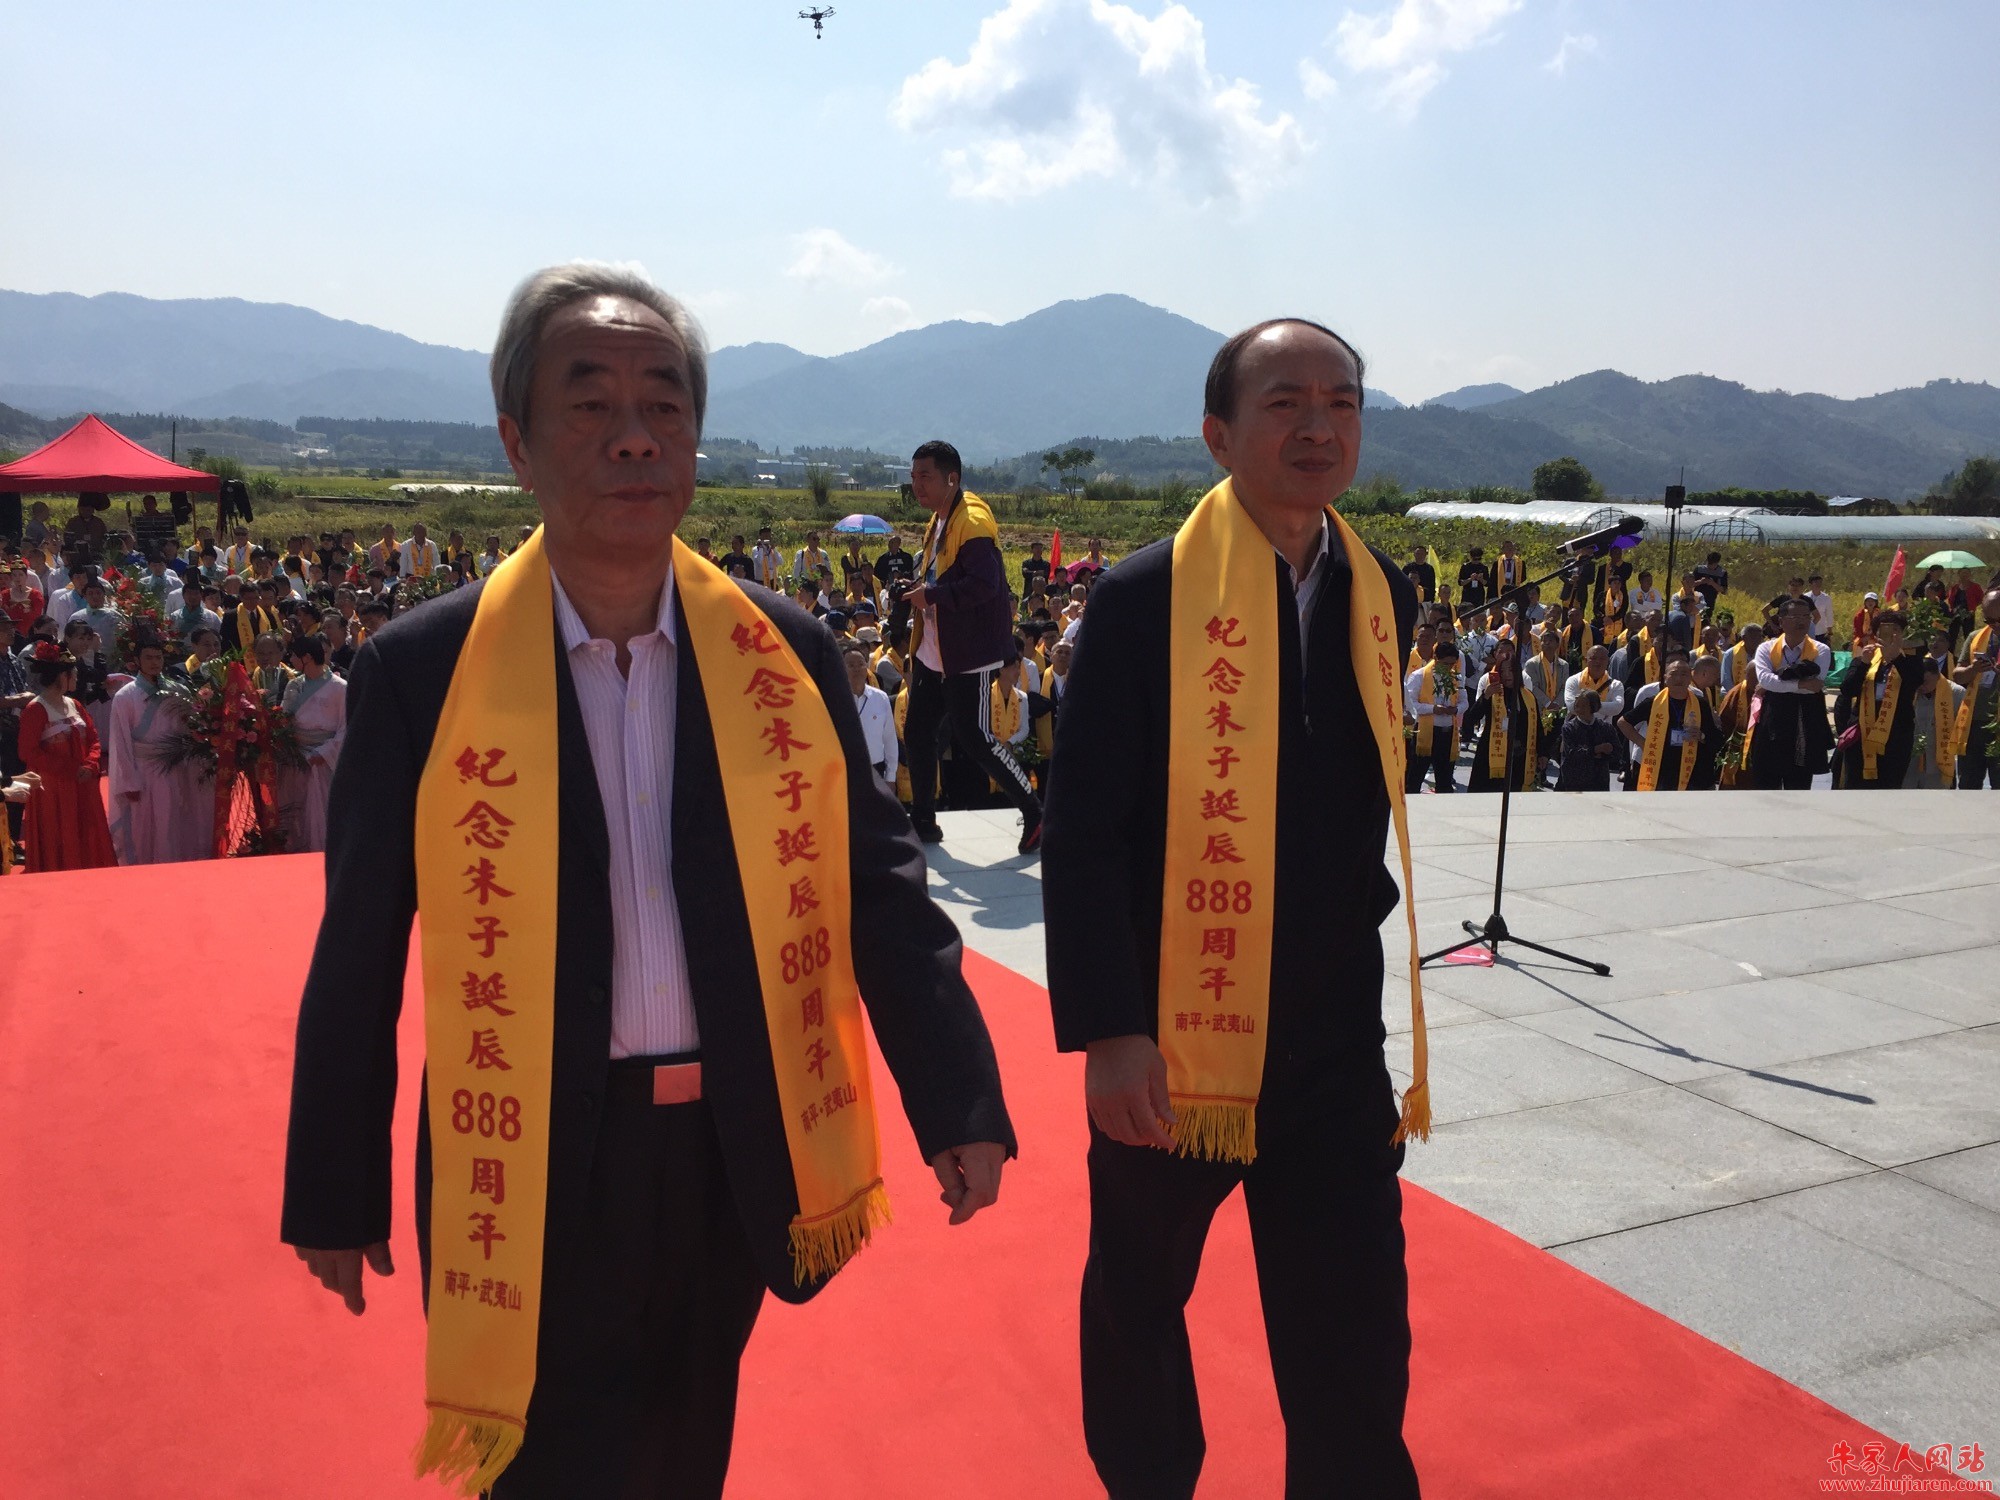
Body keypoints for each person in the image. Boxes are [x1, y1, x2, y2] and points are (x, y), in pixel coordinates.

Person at [281, 264, 1013, 1500]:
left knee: (685, 1451)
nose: (634, 436)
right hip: (535, 1147)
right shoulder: (423, 670)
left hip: (731, 1146)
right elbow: (358, 942)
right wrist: (333, 1186)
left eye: (664, 406)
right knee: (540, 1465)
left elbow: (878, 885)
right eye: (590, 404)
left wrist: (957, 1096)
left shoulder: (780, 651)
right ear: (516, 442)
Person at [1042, 317, 1423, 1499]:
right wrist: (1110, 1030)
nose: (1318, 426)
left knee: (1353, 1319)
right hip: (1174, 1030)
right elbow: (1081, 832)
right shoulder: (1142, 598)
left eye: (1341, 402)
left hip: (1329, 1038)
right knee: (1140, 1296)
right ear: (1217, 435)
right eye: (1284, 403)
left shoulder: (1380, 595)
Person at [900, 439, 1043, 853]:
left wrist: (931, 594)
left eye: (925, 476)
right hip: (934, 650)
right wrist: (919, 588)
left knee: (975, 738)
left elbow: (985, 585)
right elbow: (942, 576)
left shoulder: (973, 522)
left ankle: (1034, 812)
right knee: (918, 732)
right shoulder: (939, 518)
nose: (917, 485)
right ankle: (923, 820)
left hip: (966, 654)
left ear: (952, 478)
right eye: (913, 476)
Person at [105, 629, 210, 865]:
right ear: (137, 661)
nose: (154, 662)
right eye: (149, 658)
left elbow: (190, 730)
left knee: (174, 819)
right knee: (145, 824)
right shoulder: (125, 696)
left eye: (158, 657)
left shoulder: (177, 690)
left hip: (174, 767)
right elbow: (120, 742)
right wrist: (128, 781)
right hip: (142, 770)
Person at [16, 642, 118, 871]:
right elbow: (27, 751)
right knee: (58, 831)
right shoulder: (36, 709)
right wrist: (70, 769)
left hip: (82, 782)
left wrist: (90, 765)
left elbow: (93, 738)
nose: (77, 677)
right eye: (74, 672)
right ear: (62, 675)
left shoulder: (75, 704)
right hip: (53, 786)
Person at [1831, 611, 1928, 790]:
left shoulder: (1911, 660)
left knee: (1890, 787)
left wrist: (1896, 657)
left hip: (1896, 733)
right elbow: (1847, 690)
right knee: (1856, 786)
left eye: (1896, 629)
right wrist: (1863, 664)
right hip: (1863, 731)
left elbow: (1915, 681)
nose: (1891, 634)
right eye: (1884, 629)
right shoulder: (1865, 658)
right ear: (1876, 634)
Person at [1749, 600, 1834, 790]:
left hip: (1805, 717)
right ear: (1781, 621)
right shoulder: (1766, 648)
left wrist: (1778, 683)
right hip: (1774, 716)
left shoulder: (1821, 650)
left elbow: (1815, 686)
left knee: (1799, 783)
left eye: (1806, 616)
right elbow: (1765, 680)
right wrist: (1800, 683)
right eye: (1795, 616)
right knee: (1767, 782)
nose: (1802, 621)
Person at [276, 636, 347, 852]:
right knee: (294, 807)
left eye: (294, 656)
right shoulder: (294, 685)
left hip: (321, 759)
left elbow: (346, 728)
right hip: (294, 756)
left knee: (320, 809)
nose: (291, 660)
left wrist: (323, 753)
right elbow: (284, 719)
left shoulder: (340, 688)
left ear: (306, 657)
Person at [1618, 653, 1721, 791]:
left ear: (1690, 678)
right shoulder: (1654, 702)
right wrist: (1643, 743)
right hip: (1661, 767)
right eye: (1674, 674)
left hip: (1691, 768)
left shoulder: (1700, 703)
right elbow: (1623, 722)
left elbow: (1714, 736)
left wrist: (1701, 736)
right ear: (1665, 678)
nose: (1679, 678)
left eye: (1684, 674)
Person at [1465, 636, 1542, 792]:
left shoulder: (1527, 696)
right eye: (1503, 671)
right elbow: (1470, 719)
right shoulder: (1492, 692)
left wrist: (1543, 754)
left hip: (1518, 758)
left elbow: (1537, 728)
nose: (1507, 675)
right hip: (1491, 756)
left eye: (1511, 670)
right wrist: (1485, 697)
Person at [1951, 587, 1999, 789]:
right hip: (1974, 722)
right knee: (1969, 784)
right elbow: (1957, 675)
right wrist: (1973, 669)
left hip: (1998, 724)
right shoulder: (1975, 638)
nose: (1995, 625)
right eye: (1990, 620)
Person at [1405, 639, 1465, 793]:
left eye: (1452, 664)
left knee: (1445, 781)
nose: (1449, 667)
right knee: (1415, 778)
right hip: (1426, 731)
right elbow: (1411, 705)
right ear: (1436, 659)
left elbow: (1464, 702)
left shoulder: (1455, 677)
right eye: (1445, 664)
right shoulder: (1419, 676)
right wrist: (1432, 709)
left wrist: (1456, 709)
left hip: (1447, 732)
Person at [840, 641, 899, 785]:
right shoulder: (834, 698)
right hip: (844, 771)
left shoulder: (881, 698)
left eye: (861, 664)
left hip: (875, 769)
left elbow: (889, 739)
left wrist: (891, 776)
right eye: (851, 665)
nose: (857, 669)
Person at [1905, 659, 1964, 789]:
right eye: (1918, 682)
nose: (1921, 686)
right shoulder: (1909, 691)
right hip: (1912, 761)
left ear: (1937, 675)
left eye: (1925, 681)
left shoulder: (1957, 693)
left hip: (1939, 761)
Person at [1556, 690, 1617, 791]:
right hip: (1574, 781)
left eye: (1583, 706)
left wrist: (1606, 753)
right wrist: (1596, 750)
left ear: (1593, 707)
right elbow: (1571, 753)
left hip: (1599, 780)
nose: (1579, 709)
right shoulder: (1569, 728)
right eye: (1576, 706)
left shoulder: (1605, 728)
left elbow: (1617, 752)